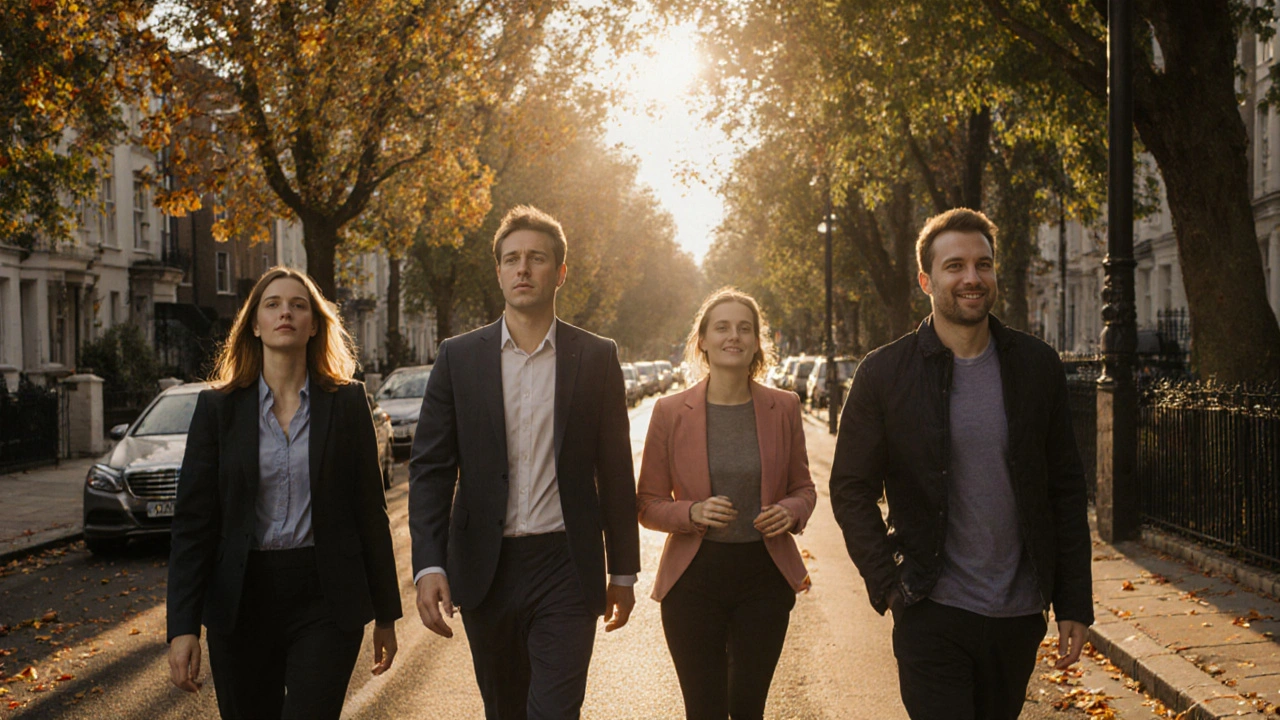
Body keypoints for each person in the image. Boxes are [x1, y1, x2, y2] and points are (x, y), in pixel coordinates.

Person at [829, 208, 1093, 720]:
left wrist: (1073, 601)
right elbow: (850, 488)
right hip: (932, 610)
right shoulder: (884, 374)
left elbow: (1065, 487)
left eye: (983, 264)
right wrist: (889, 585)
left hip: (1018, 615)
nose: (972, 278)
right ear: (926, 279)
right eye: (955, 266)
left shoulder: (1036, 366)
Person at [408, 205, 640, 720]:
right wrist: (429, 563)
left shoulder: (596, 356)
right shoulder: (458, 357)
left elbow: (616, 471)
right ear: (498, 271)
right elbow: (431, 469)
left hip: (566, 566)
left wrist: (623, 570)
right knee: (505, 710)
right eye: (511, 258)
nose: (523, 269)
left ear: (559, 273)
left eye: (537, 258)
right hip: (486, 567)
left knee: (555, 712)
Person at [166, 267, 401, 720]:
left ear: (314, 324)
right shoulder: (218, 409)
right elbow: (194, 524)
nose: (285, 313)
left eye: (298, 304)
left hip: (326, 598)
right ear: (254, 324)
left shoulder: (347, 403)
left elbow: (371, 513)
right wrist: (183, 627)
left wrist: (387, 615)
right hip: (241, 599)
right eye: (272, 304)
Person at [637, 288, 816, 720]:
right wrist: (691, 512)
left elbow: (805, 489)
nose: (732, 336)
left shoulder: (784, 407)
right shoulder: (669, 411)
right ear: (702, 340)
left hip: (764, 581)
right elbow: (646, 503)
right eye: (721, 327)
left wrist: (790, 511)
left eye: (744, 328)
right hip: (694, 582)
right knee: (704, 710)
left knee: (748, 708)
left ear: (757, 341)